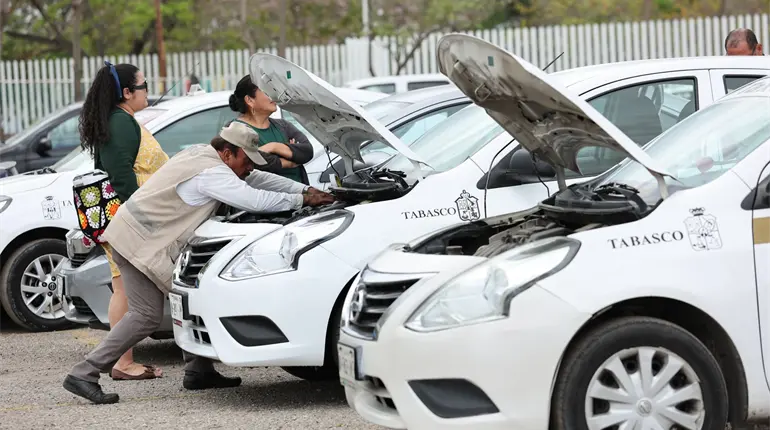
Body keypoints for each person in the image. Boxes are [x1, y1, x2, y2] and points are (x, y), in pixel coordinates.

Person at [63, 121, 335, 404]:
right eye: (246, 161)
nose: (250, 167)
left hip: (136, 237)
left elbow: (257, 180)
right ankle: (84, 372)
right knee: (145, 316)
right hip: (137, 242)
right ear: (228, 153)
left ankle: (198, 371)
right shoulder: (212, 173)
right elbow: (253, 199)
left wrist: (306, 190)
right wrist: (301, 200)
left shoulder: (205, 154)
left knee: (191, 297)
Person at [78, 61, 168, 381]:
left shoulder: (123, 120)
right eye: (143, 86)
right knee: (124, 290)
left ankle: (121, 360)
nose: (148, 92)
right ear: (127, 92)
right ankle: (121, 362)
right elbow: (121, 176)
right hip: (128, 221)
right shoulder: (120, 123)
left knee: (124, 288)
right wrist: (142, 219)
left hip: (128, 219)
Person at [228, 74, 314, 184]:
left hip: (302, 197)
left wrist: (274, 147)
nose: (273, 95)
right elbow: (250, 163)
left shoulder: (283, 126)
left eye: (273, 90)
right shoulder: (235, 130)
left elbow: (307, 151)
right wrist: (290, 158)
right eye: (266, 91)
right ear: (249, 100)